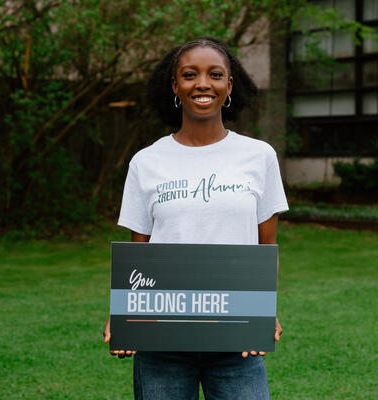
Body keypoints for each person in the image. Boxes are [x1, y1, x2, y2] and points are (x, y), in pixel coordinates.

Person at [103, 36, 289, 400]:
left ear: (229, 85)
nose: (203, 83)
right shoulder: (146, 162)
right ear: (175, 86)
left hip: (237, 340)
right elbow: (139, 254)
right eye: (190, 75)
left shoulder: (259, 156)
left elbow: (266, 248)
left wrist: (263, 311)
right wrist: (124, 316)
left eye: (215, 74)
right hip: (162, 342)